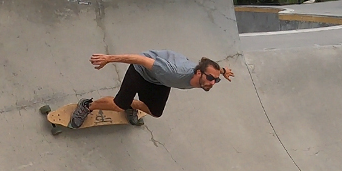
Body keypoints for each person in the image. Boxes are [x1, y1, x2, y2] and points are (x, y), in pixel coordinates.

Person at [69, 50, 235, 128]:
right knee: (118, 104)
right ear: (198, 72)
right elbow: (139, 59)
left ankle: (130, 106)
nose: (212, 83)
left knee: (155, 112)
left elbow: (214, 69)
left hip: (159, 81)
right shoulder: (172, 71)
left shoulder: (207, 75)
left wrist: (223, 72)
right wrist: (108, 58)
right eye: (210, 79)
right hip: (140, 71)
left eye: (215, 80)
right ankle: (86, 106)